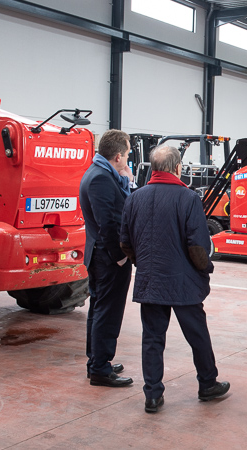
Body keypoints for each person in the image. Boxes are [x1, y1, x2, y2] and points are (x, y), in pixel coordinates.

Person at [119, 145, 230, 414]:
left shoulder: (135, 198)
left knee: (152, 338)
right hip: (184, 281)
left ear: (154, 169)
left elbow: (125, 242)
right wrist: (205, 270)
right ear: (177, 168)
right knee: (197, 335)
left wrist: (142, 264)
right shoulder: (189, 198)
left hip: (150, 280)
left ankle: (153, 395)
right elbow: (198, 247)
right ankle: (207, 384)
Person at [79, 129, 135, 387]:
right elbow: (108, 224)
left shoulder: (99, 172)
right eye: (127, 154)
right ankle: (100, 368)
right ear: (118, 156)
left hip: (100, 255)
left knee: (99, 309)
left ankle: (97, 361)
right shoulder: (101, 178)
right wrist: (119, 257)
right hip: (108, 257)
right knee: (108, 312)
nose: (129, 157)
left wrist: (127, 181)